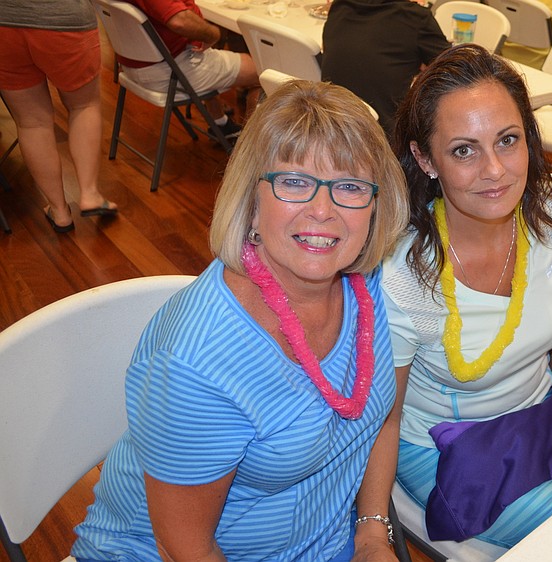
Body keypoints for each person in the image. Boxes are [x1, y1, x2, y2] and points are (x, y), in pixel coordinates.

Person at [71, 80, 409, 562]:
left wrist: (373, 534)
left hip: (323, 545)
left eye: (350, 186)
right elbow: (183, 547)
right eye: (293, 181)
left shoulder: (366, 283)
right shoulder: (198, 360)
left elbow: (378, 420)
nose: (323, 210)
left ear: (375, 206)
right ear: (252, 199)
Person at [376, 44, 552, 549]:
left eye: (507, 140)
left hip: (540, 418)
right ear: (425, 158)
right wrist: (372, 528)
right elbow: (384, 416)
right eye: (464, 150)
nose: (495, 170)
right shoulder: (404, 275)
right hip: (444, 448)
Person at [0, 0, 118, 233]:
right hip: (63, 18)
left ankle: (59, 211)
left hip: (4, 21)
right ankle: (89, 194)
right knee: (84, 105)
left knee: (31, 122)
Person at [119, 0, 259, 138]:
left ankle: (220, 123)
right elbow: (180, 20)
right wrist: (214, 34)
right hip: (171, 68)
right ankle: (252, 147)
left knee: (208, 53)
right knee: (263, 70)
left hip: (134, 64)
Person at [321, 0, 450, 136]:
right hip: (383, 142)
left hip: (329, 133)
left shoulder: (339, 7)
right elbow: (455, 70)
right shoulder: (414, 18)